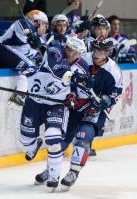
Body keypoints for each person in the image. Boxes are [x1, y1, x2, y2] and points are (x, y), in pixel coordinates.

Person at [20, 36, 88, 191]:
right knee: (25, 141)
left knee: (53, 137)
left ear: (81, 54)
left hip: (56, 103)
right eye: (70, 49)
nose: (71, 54)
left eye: (76, 52)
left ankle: (53, 176)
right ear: (66, 46)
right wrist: (73, 76)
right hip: (35, 99)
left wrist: (73, 95)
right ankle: (33, 144)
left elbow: (80, 89)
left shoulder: (83, 66)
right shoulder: (55, 50)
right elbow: (56, 69)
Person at [60, 36, 123, 190]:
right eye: (95, 49)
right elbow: (68, 72)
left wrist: (108, 100)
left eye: (101, 51)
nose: (96, 53)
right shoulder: (83, 58)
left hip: (94, 110)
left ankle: (73, 172)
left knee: (83, 137)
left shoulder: (114, 71)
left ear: (108, 52)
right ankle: (51, 170)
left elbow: (117, 93)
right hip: (76, 105)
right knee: (63, 138)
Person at [0, 10, 49, 106]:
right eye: (45, 24)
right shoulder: (23, 24)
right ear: (37, 22)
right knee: (30, 67)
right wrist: (32, 36)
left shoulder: (40, 40)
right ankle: (19, 94)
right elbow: (21, 23)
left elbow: (45, 56)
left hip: (5, 56)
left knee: (35, 68)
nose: (46, 28)